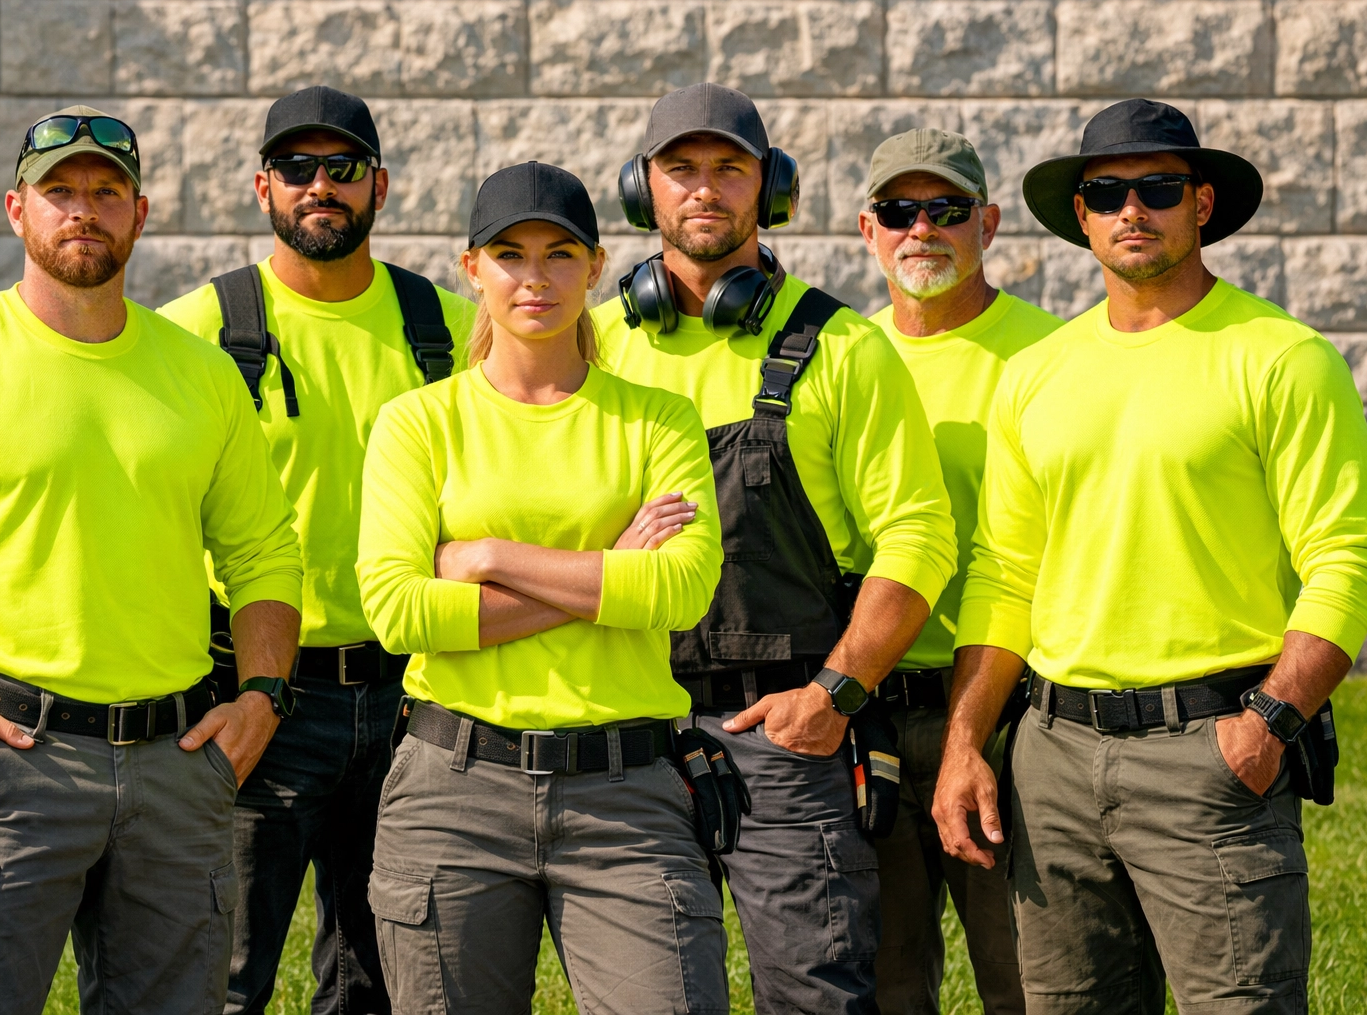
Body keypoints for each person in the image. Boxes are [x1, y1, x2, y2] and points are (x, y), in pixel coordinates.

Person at [933, 98, 1367, 1014]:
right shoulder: (1036, 374)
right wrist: (965, 743)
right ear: (1083, 217)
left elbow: (1348, 558)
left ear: (1202, 204)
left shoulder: (1284, 358)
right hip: (1052, 762)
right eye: (1107, 193)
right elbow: (1005, 574)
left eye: (1158, 189)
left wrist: (1267, 725)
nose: (1131, 210)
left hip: (1211, 753)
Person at [0, 106, 303, 1014]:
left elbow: (263, 555)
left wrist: (262, 699)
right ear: (16, 209)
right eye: (59, 191)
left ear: (141, 214)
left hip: (176, 771)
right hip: (6, 767)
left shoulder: (203, 375)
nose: (83, 210)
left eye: (106, 191)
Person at [593, 82, 958, 1013]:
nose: (704, 188)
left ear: (773, 186)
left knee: (814, 994)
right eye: (680, 168)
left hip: (785, 739)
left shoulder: (841, 346)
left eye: (730, 168)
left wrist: (833, 696)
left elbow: (918, 537)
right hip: (629, 737)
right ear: (641, 188)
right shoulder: (590, 345)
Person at [358, 162, 730, 1014]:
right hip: (453, 789)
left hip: (626, 796)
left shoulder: (659, 419)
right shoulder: (418, 423)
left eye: (560, 254)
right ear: (472, 269)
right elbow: (400, 612)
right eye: (510, 255)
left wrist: (488, 555)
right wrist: (609, 566)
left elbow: (680, 591)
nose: (536, 278)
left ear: (596, 267)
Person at [159, 85, 475, 1015]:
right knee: (223, 971)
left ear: (381, 185)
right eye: (296, 167)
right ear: (263, 186)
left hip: (414, 694)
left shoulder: (450, 329)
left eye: (342, 167)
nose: (320, 186)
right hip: (255, 691)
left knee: (378, 976)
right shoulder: (195, 333)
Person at [857, 129, 1057, 1015]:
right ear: (868, 229)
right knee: (883, 981)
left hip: (1015, 712)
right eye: (900, 210)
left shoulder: (1053, 354)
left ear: (990, 223)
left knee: (1030, 980)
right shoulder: (841, 357)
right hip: (870, 707)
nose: (922, 229)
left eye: (946, 209)